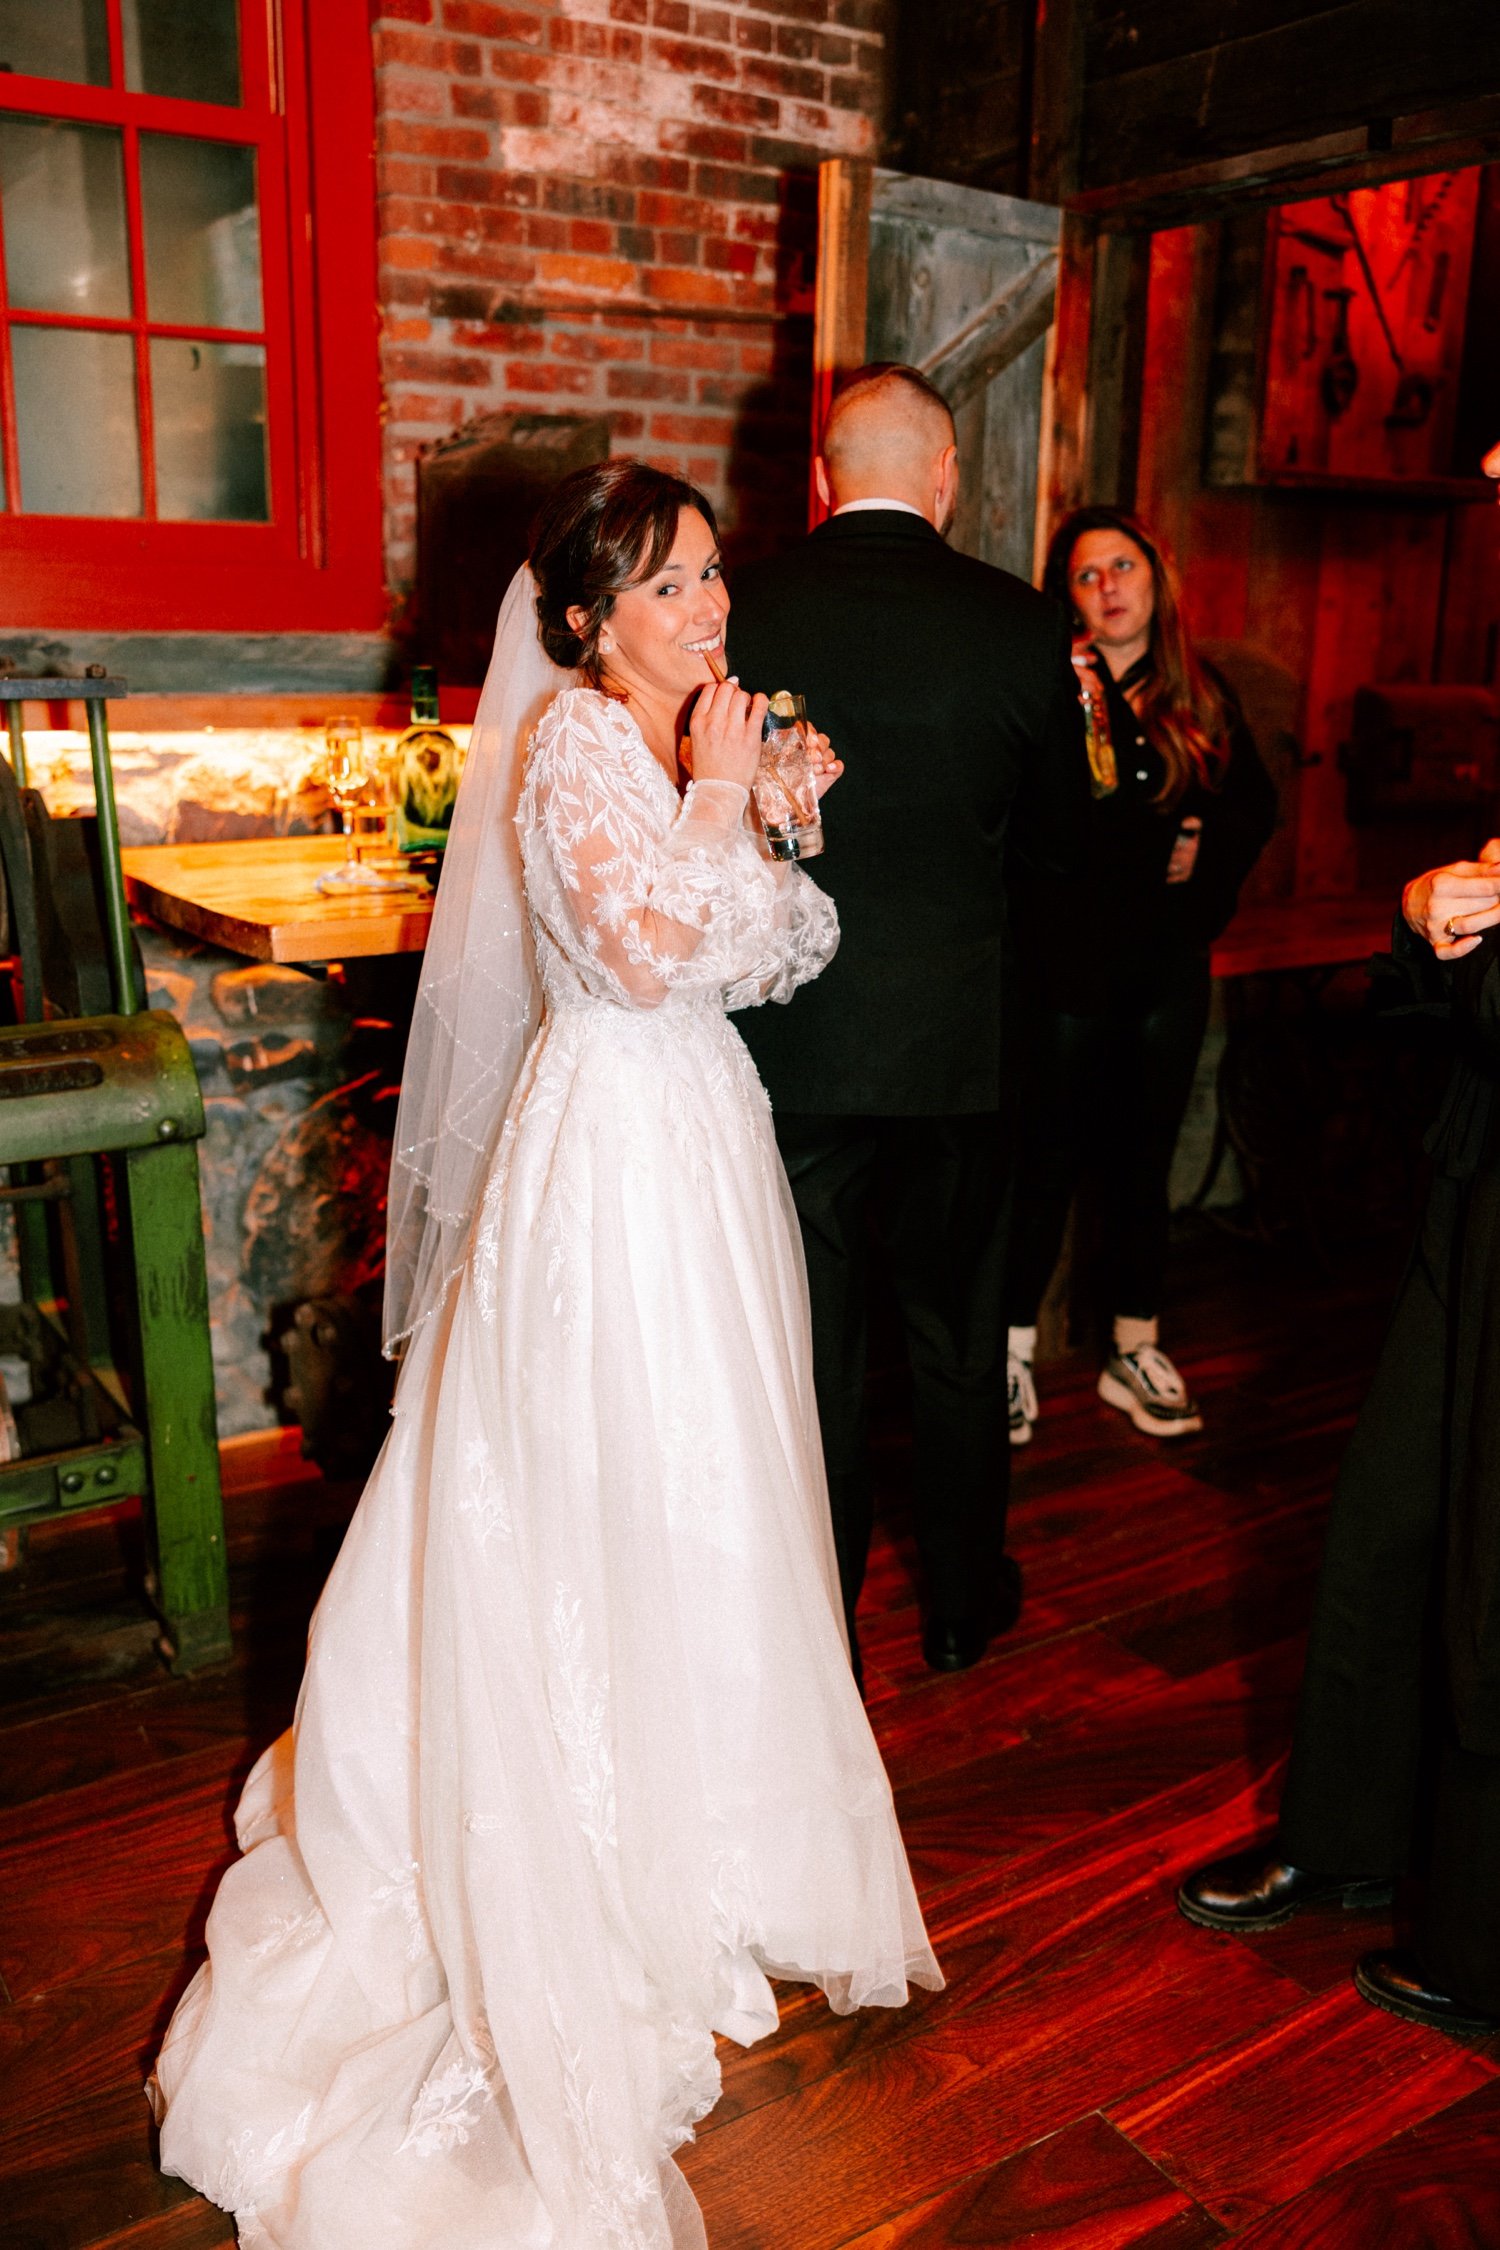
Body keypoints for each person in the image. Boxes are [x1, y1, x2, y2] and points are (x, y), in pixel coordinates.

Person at [148, 461, 942, 2248]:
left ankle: (709, 1833)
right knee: (604, 1485)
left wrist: (771, 809)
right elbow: (653, 952)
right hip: (608, 1169)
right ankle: (588, 1851)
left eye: (712, 575)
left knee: (717, 1485)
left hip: (702, 1147)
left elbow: (770, 952)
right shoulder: (582, 743)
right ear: (584, 626)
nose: (708, 609)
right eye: (664, 590)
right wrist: (730, 795)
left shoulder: (687, 740)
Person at [726, 363, 1090, 1682]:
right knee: (953, 1321)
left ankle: (817, 1601)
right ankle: (958, 1600)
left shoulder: (737, 609)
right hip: (958, 1046)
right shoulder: (1029, 627)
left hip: (788, 1040)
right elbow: (1068, 844)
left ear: (822, 479)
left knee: (809, 1330)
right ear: (948, 480)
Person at [1177, 840, 1500, 2037]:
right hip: (1476, 1169)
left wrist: (1449, 923)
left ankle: (1482, 1942)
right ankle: (1348, 1838)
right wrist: (1433, 912)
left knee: (1488, 1574)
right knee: (1389, 1519)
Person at [1005, 507, 1277, 1444]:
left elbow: (1250, 809)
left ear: (1155, 580)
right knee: (1039, 1161)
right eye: (1088, 573)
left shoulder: (1198, 692)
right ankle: (1008, 1355)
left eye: (1125, 566)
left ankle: (1134, 1346)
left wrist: (1200, 845)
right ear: (1067, 593)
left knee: (1141, 1164)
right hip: (1067, 967)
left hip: (1163, 966)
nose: (1110, 586)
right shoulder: (1051, 687)